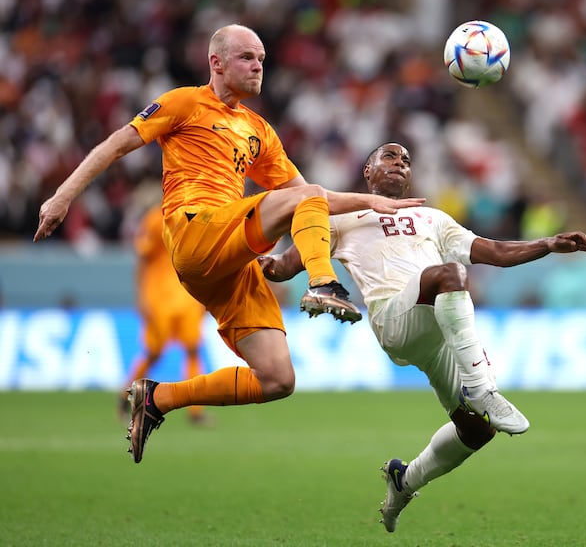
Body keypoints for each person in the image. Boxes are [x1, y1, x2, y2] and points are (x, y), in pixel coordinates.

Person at [33, 24, 423, 464]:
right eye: (247, 58)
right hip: (195, 230)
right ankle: (322, 284)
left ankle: (157, 399)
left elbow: (311, 196)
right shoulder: (184, 102)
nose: (258, 66)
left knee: (277, 379)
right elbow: (115, 145)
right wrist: (63, 196)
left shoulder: (259, 130)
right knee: (305, 199)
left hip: (229, 259)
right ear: (216, 63)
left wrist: (371, 201)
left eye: (261, 59)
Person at [260, 142, 586, 533]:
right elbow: (285, 266)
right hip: (394, 319)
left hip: (439, 331)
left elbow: (495, 252)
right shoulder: (341, 216)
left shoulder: (433, 219)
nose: (400, 164)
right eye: (390, 157)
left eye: (406, 160)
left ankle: (405, 481)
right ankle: (480, 387)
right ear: (367, 171)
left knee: (477, 431)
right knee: (448, 274)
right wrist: (250, 258)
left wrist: (548, 244)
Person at [116, 201, 209, 425]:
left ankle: (196, 411)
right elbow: (143, 258)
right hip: (160, 299)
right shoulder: (156, 218)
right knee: (154, 353)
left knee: (193, 350)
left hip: (188, 297)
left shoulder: (200, 216)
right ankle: (125, 396)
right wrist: (142, 298)